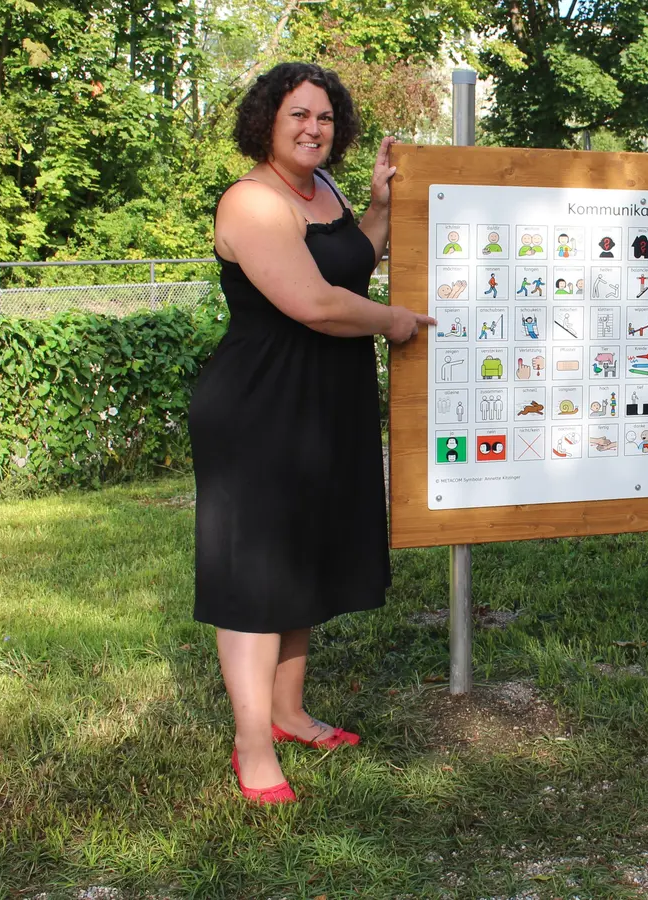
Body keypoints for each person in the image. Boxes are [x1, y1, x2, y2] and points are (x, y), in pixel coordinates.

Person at [191, 62, 434, 804]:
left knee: (304, 558)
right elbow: (315, 302)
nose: (312, 128)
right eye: (298, 114)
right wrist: (394, 323)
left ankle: (291, 712)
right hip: (261, 404)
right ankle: (252, 745)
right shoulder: (250, 201)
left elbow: (352, 262)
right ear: (266, 119)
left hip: (327, 400)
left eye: (325, 118)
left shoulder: (323, 191)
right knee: (255, 576)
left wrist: (380, 208)